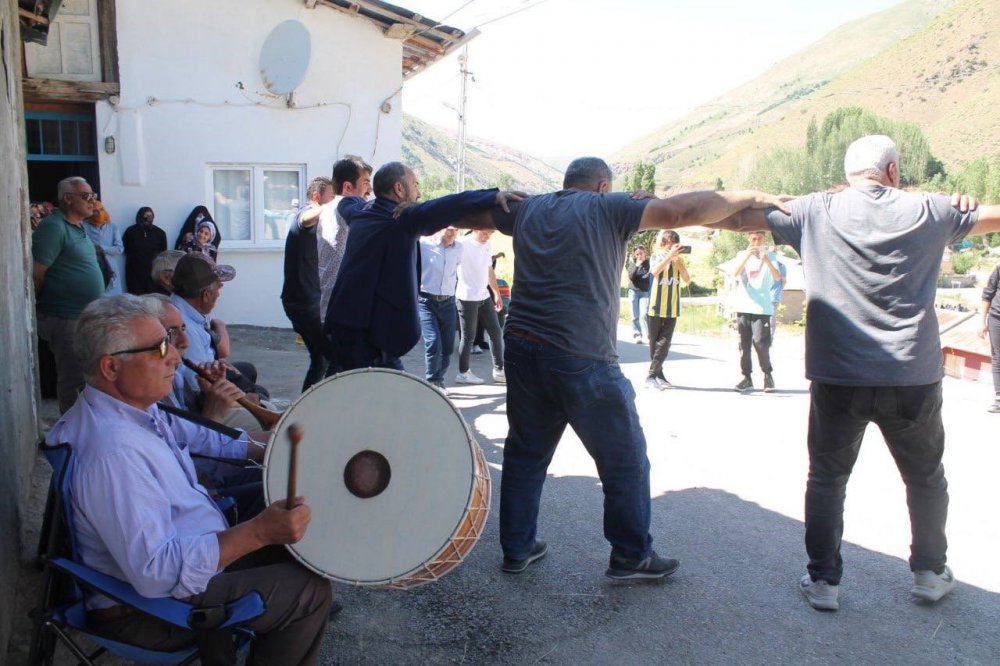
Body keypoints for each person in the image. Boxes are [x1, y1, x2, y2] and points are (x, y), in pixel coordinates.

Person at [708, 134, 1000, 611]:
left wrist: (761, 199)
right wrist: (969, 205)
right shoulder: (932, 208)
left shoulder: (813, 209)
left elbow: (732, 219)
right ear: (891, 171)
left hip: (839, 374)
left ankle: (824, 582)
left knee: (827, 478)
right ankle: (929, 572)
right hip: (912, 374)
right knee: (925, 478)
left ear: (849, 174)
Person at [490, 157, 785, 579]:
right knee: (624, 460)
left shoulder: (531, 207)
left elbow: (469, 209)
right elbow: (680, 212)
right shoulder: (606, 206)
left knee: (525, 454)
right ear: (603, 185)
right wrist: (752, 196)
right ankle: (631, 555)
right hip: (581, 355)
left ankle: (517, 549)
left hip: (522, 349)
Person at [46, 295, 331, 664]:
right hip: (149, 610)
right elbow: (155, 574)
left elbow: (212, 440)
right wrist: (259, 532)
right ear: (111, 368)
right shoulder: (113, 452)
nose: (176, 357)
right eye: (159, 346)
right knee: (309, 592)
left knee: (310, 551)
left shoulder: (136, 409)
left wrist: (288, 448)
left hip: (188, 559)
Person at [323, 161, 520, 374]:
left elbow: (346, 202)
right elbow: (446, 205)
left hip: (343, 324)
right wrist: (492, 197)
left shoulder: (360, 213)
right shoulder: (401, 218)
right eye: (415, 185)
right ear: (399, 189)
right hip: (368, 336)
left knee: (341, 389)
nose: (418, 193)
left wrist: (370, 203)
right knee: (364, 395)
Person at [32, 176, 106, 413]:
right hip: (65, 317)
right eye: (86, 196)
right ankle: (72, 435)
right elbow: (37, 273)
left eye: (92, 195)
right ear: (67, 199)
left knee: (88, 376)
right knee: (72, 378)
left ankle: (84, 427)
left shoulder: (78, 226)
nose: (92, 201)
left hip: (83, 316)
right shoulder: (54, 227)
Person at [170, 254, 268, 399]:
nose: (220, 287)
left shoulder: (186, 306)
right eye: (217, 285)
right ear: (206, 295)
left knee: (247, 370)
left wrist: (220, 364)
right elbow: (198, 388)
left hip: (211, 372)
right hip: (204, 397)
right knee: (261, 394)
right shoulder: (185, 327)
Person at [282, 177, 336, 391]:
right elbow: (306, 218)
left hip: (310, 300)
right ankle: (322, 406)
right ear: (316, 197)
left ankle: (310, 407)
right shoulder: (303, 216)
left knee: (322, 358)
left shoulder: (323, 225)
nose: (334, 202)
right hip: (303, 302)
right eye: (331, 197)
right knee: (333, 357)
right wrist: (336, 203)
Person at [318, 159, 371, 323]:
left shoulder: (327, 208)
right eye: (365, 183)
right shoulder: (350, 207)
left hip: (327, 307)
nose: (370, 189)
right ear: (348, 187)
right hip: (343, 311)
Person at [729, 230, 780, 393]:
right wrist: (746, 256)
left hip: (761, 308)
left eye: (760, 238)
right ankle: (746, 377)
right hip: (743, 306)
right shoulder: (741, 255)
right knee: (744, 346)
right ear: (748, 239)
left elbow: (777, 277)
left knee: (760, 343)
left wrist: (766, 259)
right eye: (753, 239)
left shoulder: (771, 256)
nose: (757, 242)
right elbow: (734, 272)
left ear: (764, 239)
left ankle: (767, 374)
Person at [455, 229, 506, 385]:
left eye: (489, 234)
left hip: (484, 296)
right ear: (475, 229)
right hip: (466, 298)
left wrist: (496, 293)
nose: (487, 237)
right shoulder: (462, 245)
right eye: (484, 233)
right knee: (468, 337)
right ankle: (463, 373)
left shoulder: (487, 244)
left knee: (496, 333)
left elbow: (489, 269)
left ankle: (499, 370)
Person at [418, 227, 463, 389]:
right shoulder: (423, 245)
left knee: (448, 347)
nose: (452, 233)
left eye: (456, 230)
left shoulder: (459, 248)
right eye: (449, 229)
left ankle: (439, 379)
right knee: (433, 342)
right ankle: (431, 382)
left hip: (448, 303)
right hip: (426, 301)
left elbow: (456, 269)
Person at [645, 230, 689, 390]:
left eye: (674, 244)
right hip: (656, 306)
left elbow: (686, 278)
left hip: (672, 307)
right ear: (663, 244)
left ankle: (651, 375)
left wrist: (677, 261)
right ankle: (658, 374)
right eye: (668, 244)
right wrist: (668, 257)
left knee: (664, 343)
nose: (670, 247)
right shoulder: (657, 256)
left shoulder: (679, 260)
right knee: (654, 343)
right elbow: (655, 271)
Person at [122, 206, 168, 295]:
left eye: (150, 216)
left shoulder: (160, 233)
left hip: (152, 273)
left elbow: (163, 253)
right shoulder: (131, 231)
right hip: (134, 272)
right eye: (145, 216)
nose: (148, 219)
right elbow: (125, 248)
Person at [83, 200, 125, 295]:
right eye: (95, 211)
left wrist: (102, 248)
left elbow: (120, 248)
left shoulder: (112, 227)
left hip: (111, 268)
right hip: (93, 266)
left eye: (101, 209)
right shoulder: (84, 226)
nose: (99, 213)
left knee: (114, 299)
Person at [981, 262, 1000, 413]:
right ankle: (999, 399)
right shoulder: (999, 267)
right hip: (997, 319)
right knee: (998, 358)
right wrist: (982, 322)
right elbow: (988, 294)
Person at [627, 245, 652, 344]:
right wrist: (637, 266)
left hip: (645, 292)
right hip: (633, 291)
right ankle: (637, 334)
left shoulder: (649, 263)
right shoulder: (633, 263)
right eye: (637, 254)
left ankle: (649, 335)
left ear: (644, 253)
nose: (639, 256)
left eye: (641, 253)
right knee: (635, 315)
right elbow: (631, 277)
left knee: (644, 314)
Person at [768, 246, 787, 345]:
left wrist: (778, 290)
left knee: (771, 320)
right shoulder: (765, 264)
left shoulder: (781, 266)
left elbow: (783, 281)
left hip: (773, 296)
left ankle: (769, 340)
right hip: (764, 297)